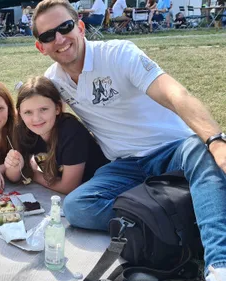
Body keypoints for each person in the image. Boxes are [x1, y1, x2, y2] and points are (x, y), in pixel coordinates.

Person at [31, 0, 226, 280]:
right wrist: (6, 160)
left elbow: (176, 94)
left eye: (65, 27)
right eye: (48, 35)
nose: (59, 39)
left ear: (81, 27)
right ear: (41, 47)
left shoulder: (119, 54)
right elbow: (33, 116)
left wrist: (216, 140)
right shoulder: (55, 81)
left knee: (202, 151)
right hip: (125, 165)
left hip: (173, 149)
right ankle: (187, 211)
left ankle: (219, 265)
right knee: (77, 207)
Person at [4, 76, 109, 194]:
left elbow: (68, 187)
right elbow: (14, 177)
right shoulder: (23, 129)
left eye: (43, 109)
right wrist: (13, 165)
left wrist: (33, 173)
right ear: (20, 113)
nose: (36, 118)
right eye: (28, 112)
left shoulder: (71, 131)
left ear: (57, 108)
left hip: (99, 189)